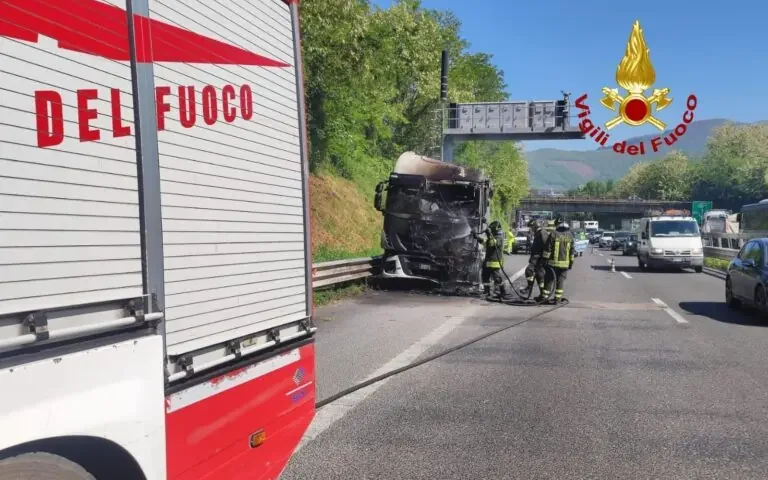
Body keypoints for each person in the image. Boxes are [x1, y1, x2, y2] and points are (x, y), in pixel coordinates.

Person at [542, 217, 576, 304]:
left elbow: (548, 249)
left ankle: (545, 298)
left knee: (549, 280)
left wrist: (544, 260)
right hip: (564, 265)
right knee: (560, 281)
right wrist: (571, 263)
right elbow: (572, 251)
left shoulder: (553, 234)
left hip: (552, 263)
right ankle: (557, 299)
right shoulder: (570, 235)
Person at [474, 220, 508, 297]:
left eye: (491, 229)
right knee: (485, 276)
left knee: (497, 278)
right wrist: (477, 237)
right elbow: (486, 243)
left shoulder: (499, 237)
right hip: (488, 262)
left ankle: (502, 292)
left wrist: (489, 234)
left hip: (495, 262)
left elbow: (492, 243)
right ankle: (487, 292)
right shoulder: (493, 237)